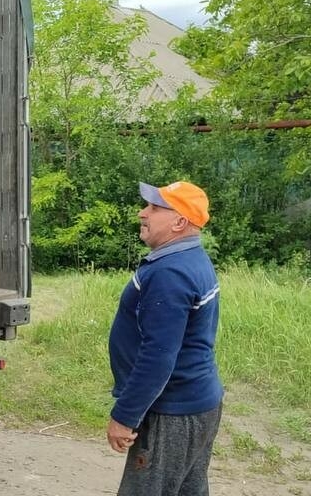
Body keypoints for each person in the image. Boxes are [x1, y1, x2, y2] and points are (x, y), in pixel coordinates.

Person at [108, 181, 223, 496]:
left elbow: (158, 356)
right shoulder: (190, 259)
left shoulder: (169, 273)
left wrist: (125, 416)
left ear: (179, 222)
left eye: (154, 208)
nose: (142, 213)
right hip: (196, 404)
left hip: (173, 412)